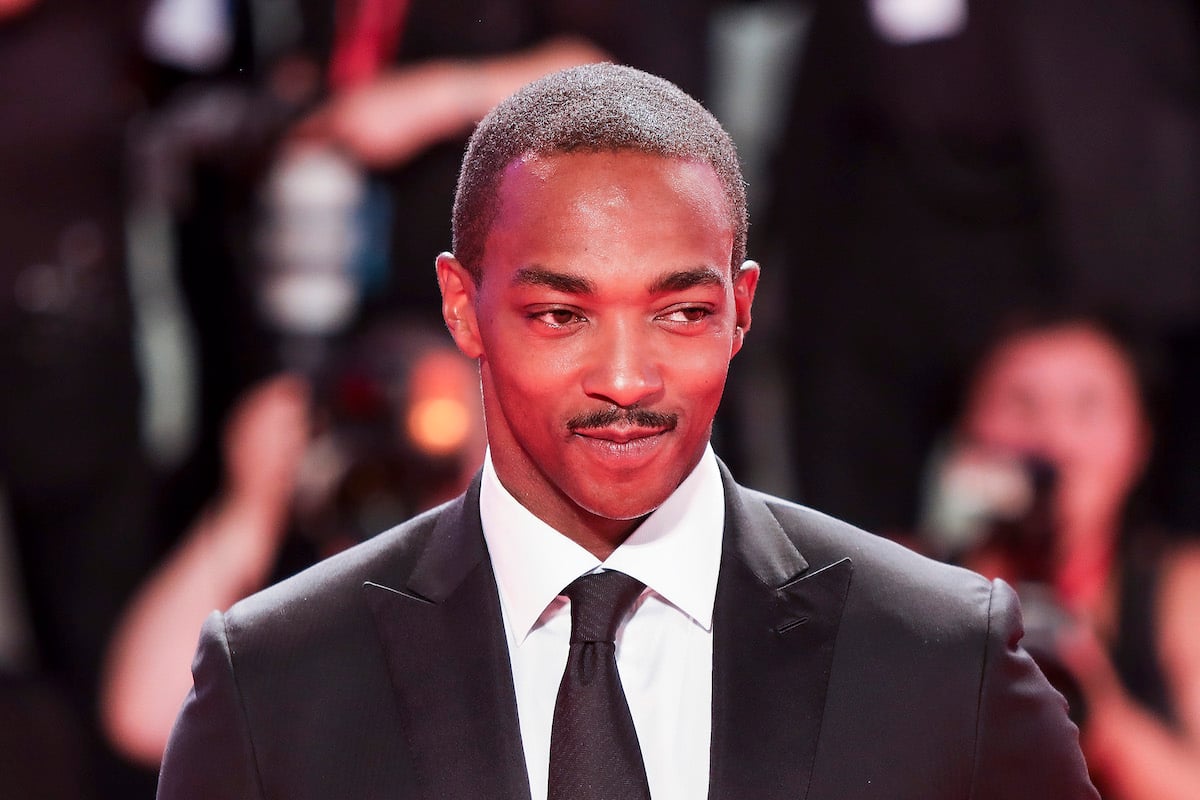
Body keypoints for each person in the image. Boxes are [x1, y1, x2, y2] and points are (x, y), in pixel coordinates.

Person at [156, 63, 1096, 799]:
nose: (624, 380)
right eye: (561, 316)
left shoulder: (939, 654)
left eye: (680, 312)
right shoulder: (279, 679)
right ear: (463, 309)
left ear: (741, 308)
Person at [920, 314, 1200, 799]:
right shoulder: (906, 576)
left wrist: (1098, 710)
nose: (1053, 439)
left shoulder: (1180, 591)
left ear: (1140, 441)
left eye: (1087, 407)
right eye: (1021, 405)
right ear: (966, 429)